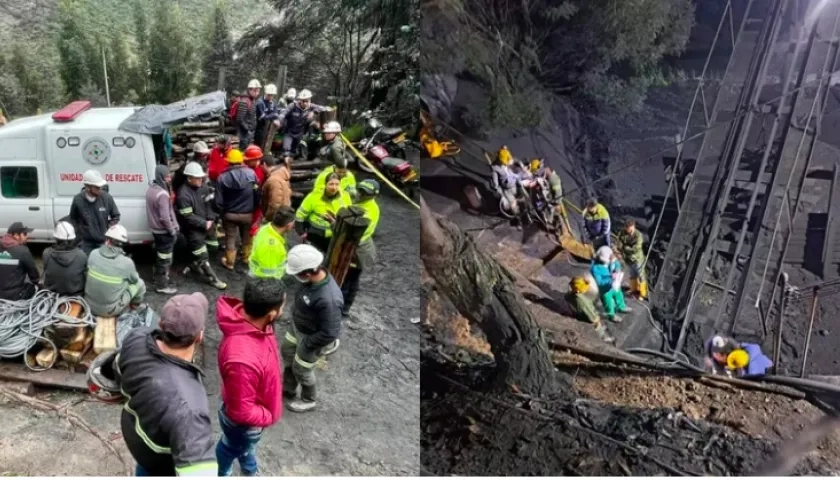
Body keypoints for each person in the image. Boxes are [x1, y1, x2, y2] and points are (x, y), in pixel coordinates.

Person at [118, 293, 217, 476]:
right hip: (161, 465)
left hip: (137, 436)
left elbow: (117, 372)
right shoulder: (189, 408)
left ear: (161, 324)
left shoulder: (136, 337)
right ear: (199, 337)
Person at [215, 278, 285, 476]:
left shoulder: (256, 326)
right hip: (247, 424)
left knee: (243, 446)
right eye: (282, 307)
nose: (283, 311)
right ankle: (222, 473)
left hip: (252, 412)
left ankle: (249, 467)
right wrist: (269, 416)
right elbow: (241, 412)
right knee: (230, 447)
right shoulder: (242, 360)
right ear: (271, 314)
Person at [281, 244, 343, 412]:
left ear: (307, 273)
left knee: (302, 369)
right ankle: (288, 388)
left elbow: (330, 332)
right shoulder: (311, 281)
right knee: (287, 352)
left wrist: (308, 344)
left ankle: (309, 400)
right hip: (299, 327)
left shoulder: (328, 299)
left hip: (311, 338)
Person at [177, 162, 228, 290]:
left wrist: (210, 219)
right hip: (193, 231)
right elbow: (188, 217)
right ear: (189, 178)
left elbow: (209, 205)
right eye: (198, 177)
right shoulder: (183, 195)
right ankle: (213, 279)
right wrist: (204, 223)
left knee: (213, 246)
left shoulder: (203, 187)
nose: (201, 179)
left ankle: (194, 262)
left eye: (201, 177)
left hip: (207, 224)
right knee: (202, 256)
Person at [84, 225, 145, 317]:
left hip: (88, 305)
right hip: (110, 310)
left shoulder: (93, 253)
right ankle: (133, 307)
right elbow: (134, 281)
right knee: (140, 283)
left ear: (107, 240)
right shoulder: (127, 263)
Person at [215, 148, 261, 270]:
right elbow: (257, 194)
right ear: (241, 161)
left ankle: (230, 262)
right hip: (247, 214)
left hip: (229, 215)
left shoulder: (222, 178)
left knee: (230, 237)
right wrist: (255, 208)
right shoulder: (252, 174)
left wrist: (221, 214)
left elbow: (218, 201)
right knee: (246, 236)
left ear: (228, 162)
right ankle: (246, 257)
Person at [342, 179, 380, 317]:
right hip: (356, 247)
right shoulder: (360, 201)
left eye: (365, 193)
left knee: (349, 279)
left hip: (359, 250)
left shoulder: (370, 210)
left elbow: (355, 231)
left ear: (373, 195)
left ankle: (344, 307)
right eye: (361, 190)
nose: (361, 194)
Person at [295, 173, 353, 253]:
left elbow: (349, 215)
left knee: (328, 256)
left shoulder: (345, 197)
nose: (334, 187)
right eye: (331, 184)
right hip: (314, 234)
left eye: (337, 184)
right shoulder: (314, 197)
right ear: (325, 184)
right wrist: (300, 232)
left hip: (333, 235)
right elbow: (300, 215)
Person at [69, 170, 121, 255]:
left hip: (103, 242)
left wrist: (107, 229)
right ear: (87, 187)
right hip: (85, 243)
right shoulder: (77, 200)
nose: (100, 189)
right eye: (97, 187)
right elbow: (73, 218)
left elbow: (116, 216)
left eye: (100, 187)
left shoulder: (107, 198)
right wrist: (80, 232)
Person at [145, 165, 179, 295]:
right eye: (167, 177)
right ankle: (162, 285)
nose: (169, 179)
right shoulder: (162, 194)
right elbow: (165, 217)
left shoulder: (151, 190)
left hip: (155, 230)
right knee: (165, 259)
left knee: (160, 256)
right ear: (161, 177)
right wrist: (172, 230)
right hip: (164, 232)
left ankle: (158, 278)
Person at [277, 89, 330, 163]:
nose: (305, 103)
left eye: (307, 101)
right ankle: (284, 161)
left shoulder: (311, 107)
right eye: (303, 101)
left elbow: (324, 108)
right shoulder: (293, 106)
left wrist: (313, 112)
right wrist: (279, 120)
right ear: (299, 100)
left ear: (310, 100)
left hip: (299, 134)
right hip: (289, 132)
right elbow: (283, 113)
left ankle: (291, 164)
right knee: (286, 150)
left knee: (293, 152)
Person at [42, 221, 87, 296]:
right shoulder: (81, 255)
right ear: (73, 239)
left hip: (52, 294)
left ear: (56, 238)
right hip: (75, 294)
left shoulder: (46, 253)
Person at [564, 276, 614, 343]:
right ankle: (603, 336)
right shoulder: (582, 302)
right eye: (584, 288)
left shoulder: (570, 294)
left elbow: (566, 296)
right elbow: (592, 317)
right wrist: (596, 318)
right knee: (597, 322)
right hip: (584, 315)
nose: (586, 289)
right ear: (578, 291)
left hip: (576, 311)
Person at [249, 207, 296, 279]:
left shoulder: (266, 228)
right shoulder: (272, 247)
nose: (294, 225)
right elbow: (268, 275)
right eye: (293, 223)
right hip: (263, 281)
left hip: (255, 273)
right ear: (289, 225)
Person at [590, 245, 631, 323]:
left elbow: (616, 263)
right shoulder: (595, 269)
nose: (612, 258)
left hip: (614, 284)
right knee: (609, 302)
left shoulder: (610, 260)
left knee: (619, 294)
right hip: (605, 289)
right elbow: (599, 282)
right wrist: (611, 279)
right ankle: (611, 315)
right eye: (610, 258)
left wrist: (617, 268)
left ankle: (621, 307)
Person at [0, 222, 39, 300]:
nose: (27, 236)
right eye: (24, 234)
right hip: (15, 295)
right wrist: (36, 282)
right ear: (16, 235)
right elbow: (34, 276)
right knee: (37, 288)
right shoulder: (23, 251)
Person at [616, 219, 647, 300]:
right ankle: (634, 291)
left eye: (629, 228)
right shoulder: (622, 233)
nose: (628, 230)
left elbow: (636, 248)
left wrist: (625, 248)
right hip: (628, 258)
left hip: (637, 258)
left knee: (640, 275)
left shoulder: (638, 235)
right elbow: (619, 244)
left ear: (633, 227)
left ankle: (642, 293)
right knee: (632, 274)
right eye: (626, 228)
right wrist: (623, 248)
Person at [490, 146, 521, 228]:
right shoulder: (495, 168)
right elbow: (496, 185)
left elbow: (514, 162)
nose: (506, 163)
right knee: (513, 205)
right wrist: (502, 196)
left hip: (515, 183)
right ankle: (519, 221)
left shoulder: (507, 156)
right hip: (507, 189)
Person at [244, 145, 267, 239]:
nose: (258, 161)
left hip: (257, 203)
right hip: (246, 203)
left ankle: (249, 244)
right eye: (256, 159)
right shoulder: (243, 169)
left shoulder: (261, 169)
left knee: (254, 226)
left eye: (259, 159)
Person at [261, 155, 292, 222]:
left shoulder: (274, 180)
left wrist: (267, 218)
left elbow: (275, 203)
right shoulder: (281, 174)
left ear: (264, 164)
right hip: (283, 213)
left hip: (275, 218)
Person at [237, 79, 262, 149]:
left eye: (258, 91)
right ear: (249, 90)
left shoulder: (252, 100)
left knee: (249, 151)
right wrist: (247, 130)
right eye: (255, 91)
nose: (257, 93)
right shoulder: (244, 101)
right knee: (243, 151)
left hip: (250, 132)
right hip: (244, 133)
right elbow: (239, 119)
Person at [254, 83, 280, 149]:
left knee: (267, 144)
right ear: (265, 93)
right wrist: (273, 115)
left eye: (272, 95)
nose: (270, 97)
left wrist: (272, 116)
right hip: (258, 127)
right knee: (258, 144)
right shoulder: (260, 102)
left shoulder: (273, 102)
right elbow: (263, 117)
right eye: (269, 95)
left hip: (269, 127)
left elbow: (276, 113)